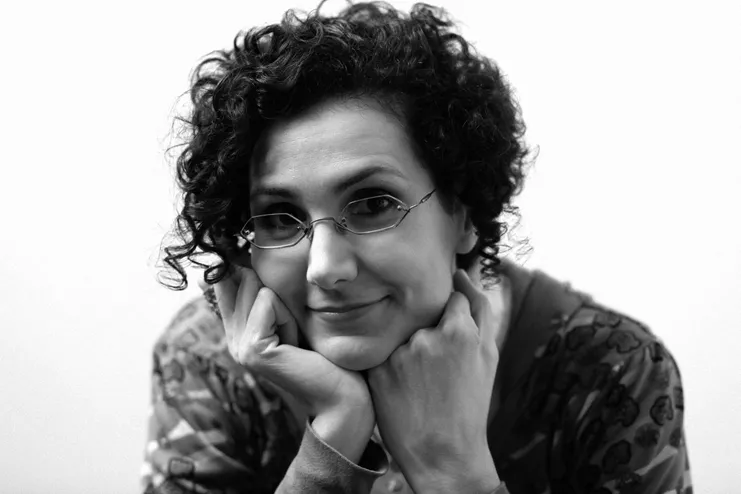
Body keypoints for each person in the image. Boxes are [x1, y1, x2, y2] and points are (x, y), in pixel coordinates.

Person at [145, 2, 692, 492]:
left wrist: (454, 472)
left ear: (464, 212)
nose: (325, 268)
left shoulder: (610, 370)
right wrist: (332, 442)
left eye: (373, 204)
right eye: (279, 218)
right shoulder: (211, 362)